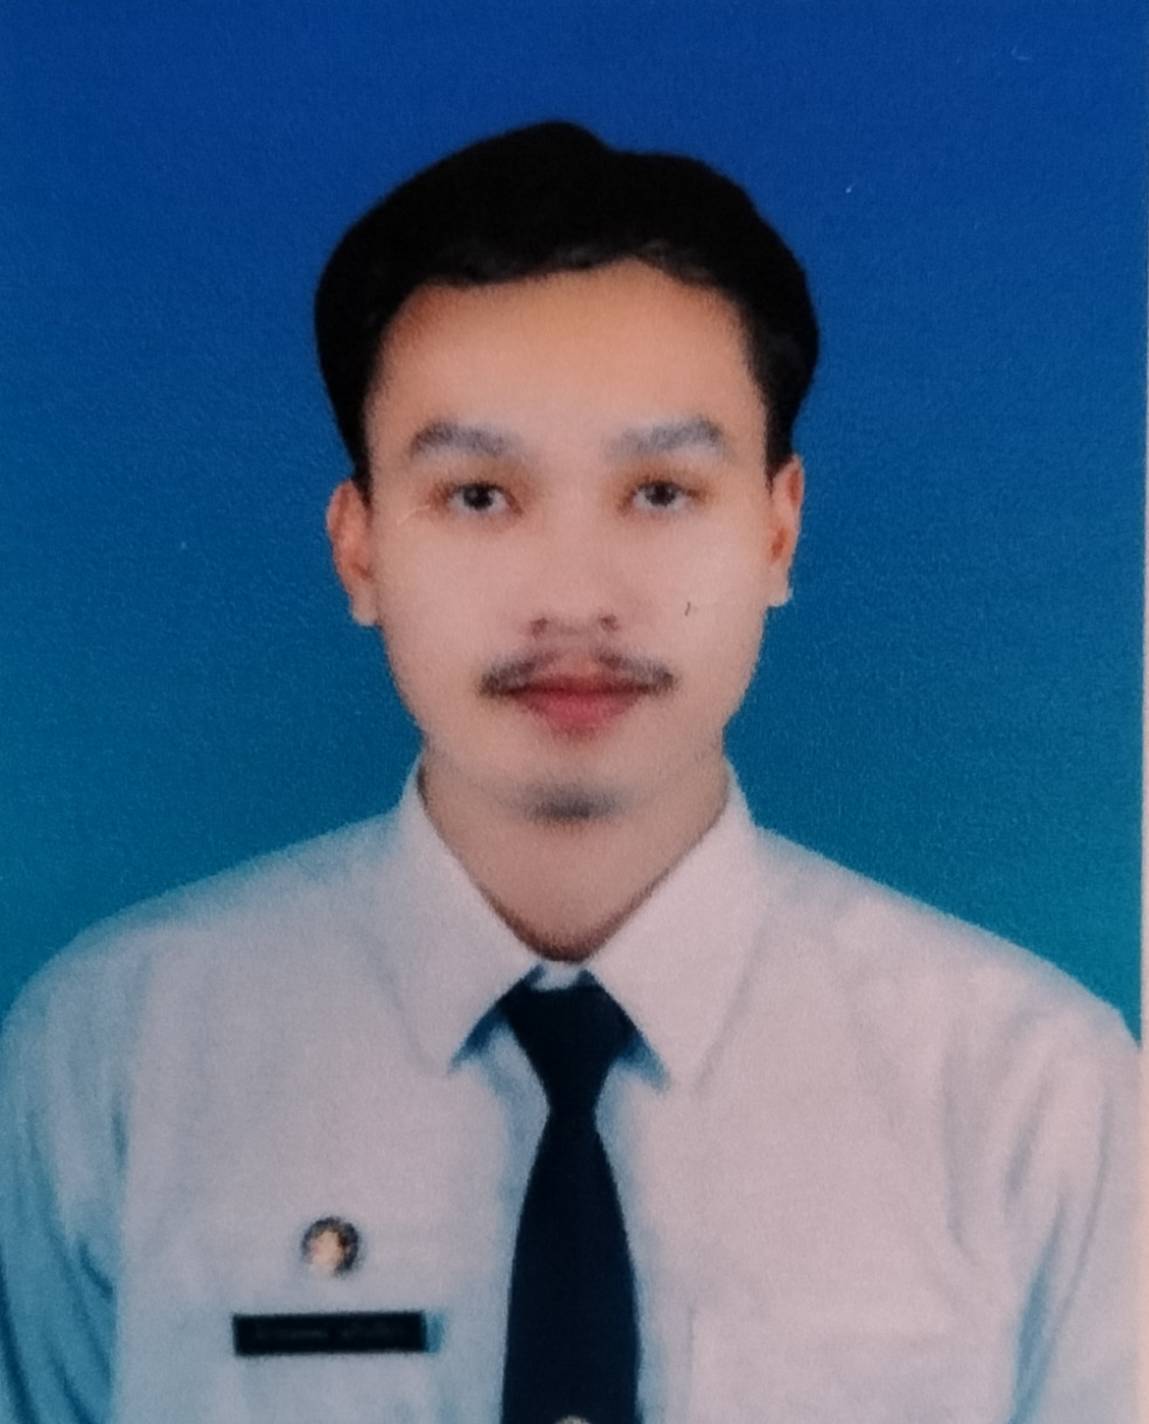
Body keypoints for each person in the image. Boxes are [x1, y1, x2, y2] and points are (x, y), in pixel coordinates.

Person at [0, 121, 1136, 1424]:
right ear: (360, 549)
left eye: (659, 492)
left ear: (776, 530)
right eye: (479, 495)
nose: (575, 598)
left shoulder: (1031, 1095)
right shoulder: (116, 1059)